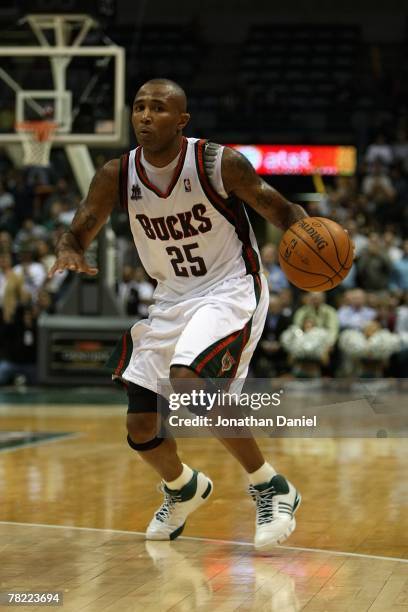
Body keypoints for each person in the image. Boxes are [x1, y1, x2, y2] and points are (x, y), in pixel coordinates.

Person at [48, 78, 307, 550]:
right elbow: (78, 230)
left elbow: (281, 209)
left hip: (230, 287)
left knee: (187, 377)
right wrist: (67, 250)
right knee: (141, 426)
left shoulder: (218, 162)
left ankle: (271, 485)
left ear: (182, 120)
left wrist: (315, 244)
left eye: (159, 108)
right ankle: (183, 488)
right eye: (140, 107)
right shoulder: (116, 173)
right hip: (170, 298)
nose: (146, 116)